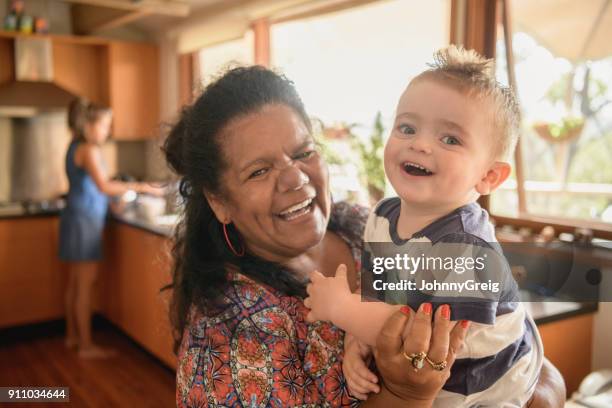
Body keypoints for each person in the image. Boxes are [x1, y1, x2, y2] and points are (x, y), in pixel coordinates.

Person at [163, 66, 565, 407]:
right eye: (258, 171)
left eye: (303, 153)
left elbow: (507, 338)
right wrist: (402, 391)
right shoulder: (227, 340)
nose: (294, 178)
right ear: (219, 201)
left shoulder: (361, 223)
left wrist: (543, 389)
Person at [305, 45, 542, 407]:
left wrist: (340, 308)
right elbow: (381, 297)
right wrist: (357, 343)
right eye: (407, 127)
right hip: (434, 374)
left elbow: (415, 331)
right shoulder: (383, 217)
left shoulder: (466, 245)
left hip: (492, 382)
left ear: (489, 176)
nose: (419, 144)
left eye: (450, 139)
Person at [59, 98, 162, 359]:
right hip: (85, 222)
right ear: (89, 125)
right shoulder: (89, 150)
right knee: (84, 284)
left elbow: (93, 188)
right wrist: (142, 187)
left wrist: (113, 202)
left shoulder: (74, 146)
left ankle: (72, 337)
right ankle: (86, 346)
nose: (107, 131)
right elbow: (104, 186)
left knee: (74, 283)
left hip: (75, 217)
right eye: (104, 125)